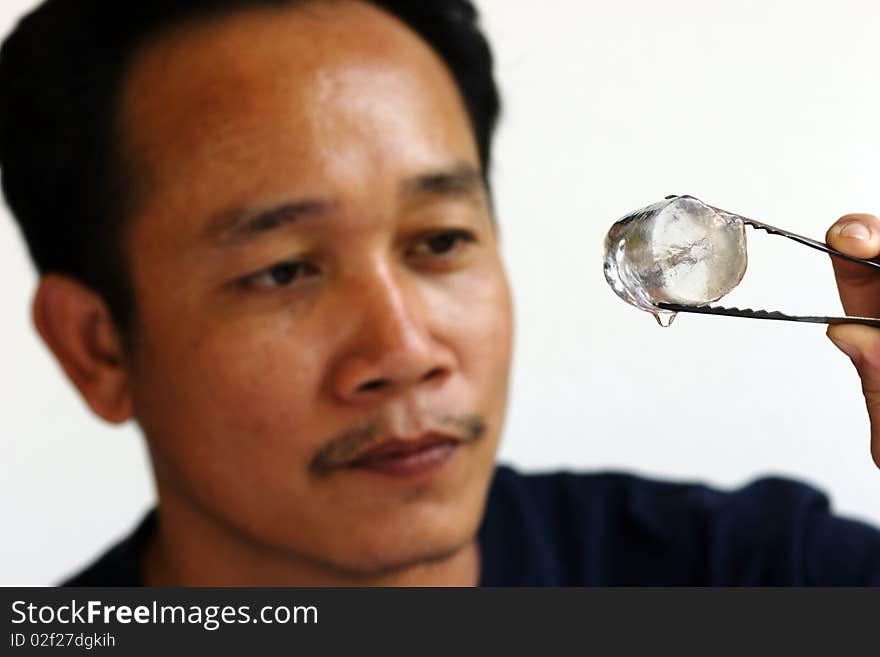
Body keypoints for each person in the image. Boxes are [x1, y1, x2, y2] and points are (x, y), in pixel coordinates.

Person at [1, 0, 878, 587]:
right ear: (97, 348)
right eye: (281, 270)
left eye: (440, 241)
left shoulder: (763, 574)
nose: (407, 349)